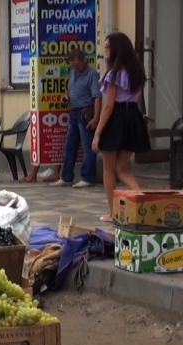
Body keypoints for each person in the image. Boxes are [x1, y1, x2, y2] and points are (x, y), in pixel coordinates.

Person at [93, 32, 150, 223]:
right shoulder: (137, 72)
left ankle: (113, 212)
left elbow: (108, 106)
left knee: (109, 169)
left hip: (116, 119)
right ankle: (141, 196)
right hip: (133, 118)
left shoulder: (114, 74)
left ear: (116, 49)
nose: (105, 50)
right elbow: (139, 102)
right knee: (121, 167)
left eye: (108, 46)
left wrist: (97, 134)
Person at [51, 48, 102, 188]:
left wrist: (96, 118)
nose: (76, 67)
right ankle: (66, 177)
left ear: (84, 61)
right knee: (69, 146)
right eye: (73, 65)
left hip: (86, 112)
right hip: (73, 112)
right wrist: (67, 97)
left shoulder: (91, 75)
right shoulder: (73, 73)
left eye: (78, 64)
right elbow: (71, 89)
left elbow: (97, 97)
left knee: (87, 146)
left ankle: (87, 177)